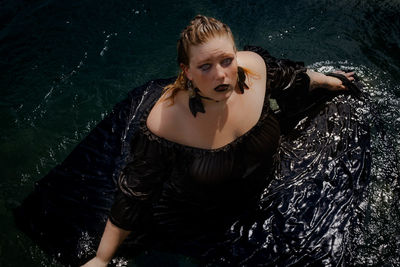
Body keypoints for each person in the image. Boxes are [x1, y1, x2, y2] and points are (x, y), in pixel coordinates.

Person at [82, 15, 355, 267]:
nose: (221, 75)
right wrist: (102, 258)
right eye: (205, 67)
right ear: (187, 71)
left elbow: (292, 80)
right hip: (202, 215)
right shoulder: (166, 122)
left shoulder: (254, 70)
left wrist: (329, 81)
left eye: (226, 60)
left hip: (267, 184)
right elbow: (135, 192)